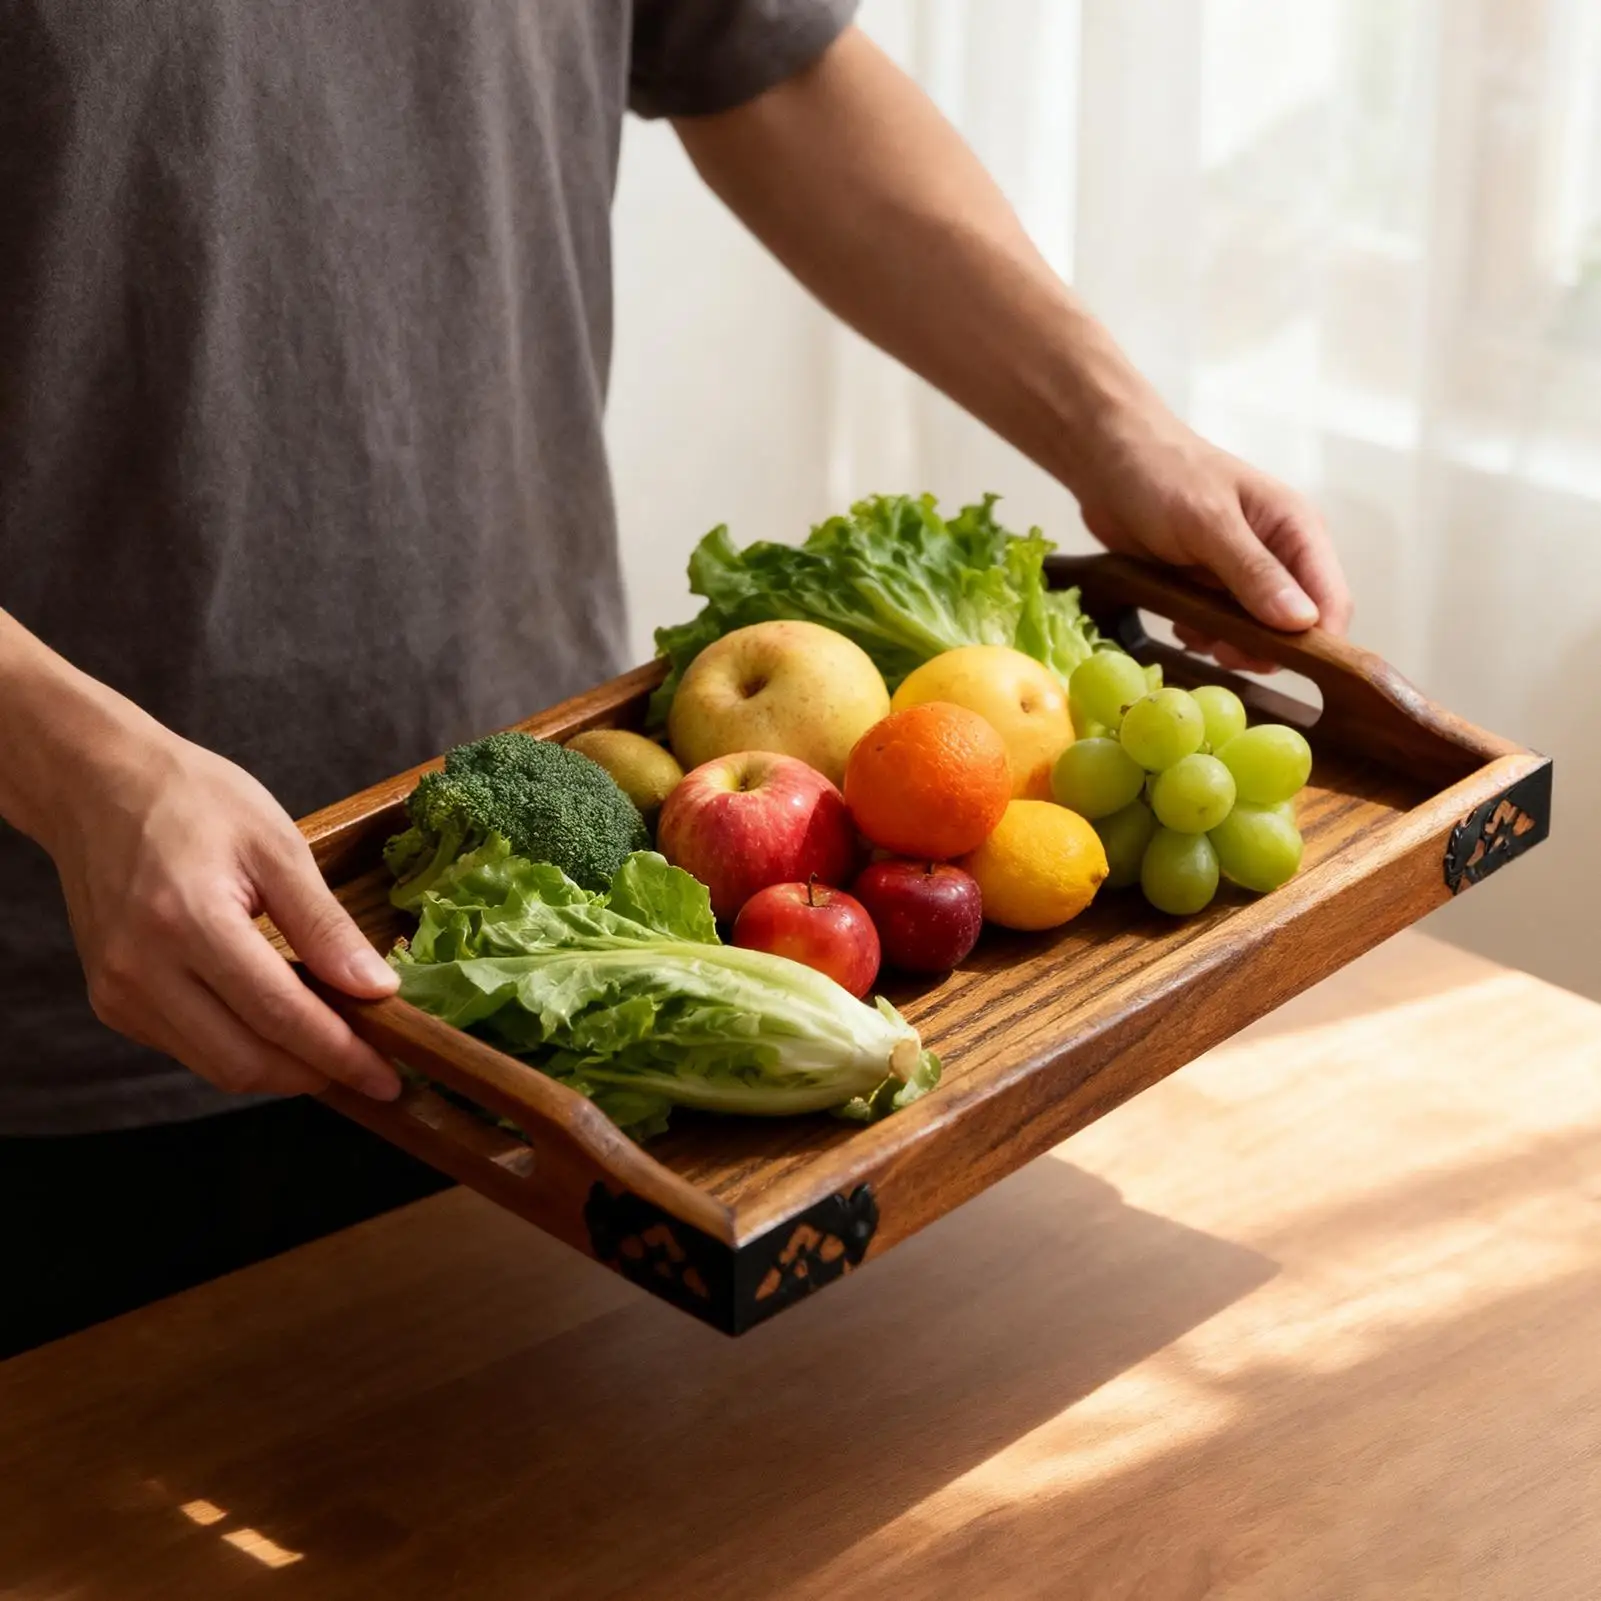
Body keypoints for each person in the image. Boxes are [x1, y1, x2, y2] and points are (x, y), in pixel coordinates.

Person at [0, 4, 1350, 1357]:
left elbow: (767, 65)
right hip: (76, 1029)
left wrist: (1116, 428)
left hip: (563, 963)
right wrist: (73, 761)